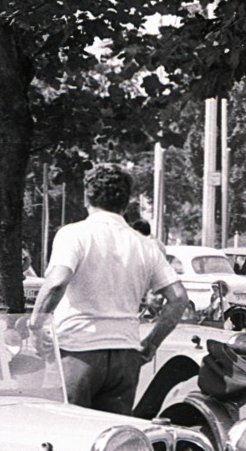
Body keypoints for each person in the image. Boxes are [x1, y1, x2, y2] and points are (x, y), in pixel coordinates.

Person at [30, 164, 189, 413]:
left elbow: (57, 283)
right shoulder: (144, 245)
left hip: (77, 350)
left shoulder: (74, 234)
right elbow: (178, 299)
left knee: (66, 435)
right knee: (112, 443)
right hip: (125, 355)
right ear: (126, 202)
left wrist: (35, 326)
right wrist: (151, 345)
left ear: (86, 197)